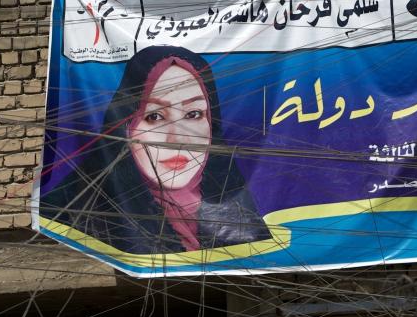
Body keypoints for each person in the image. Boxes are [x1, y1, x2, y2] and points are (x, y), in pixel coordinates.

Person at [38, 45, 269, 255]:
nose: (176, 139)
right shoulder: (71, 214)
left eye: (193, 114)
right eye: (154, 116)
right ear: (126, 126)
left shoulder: (242, 217)